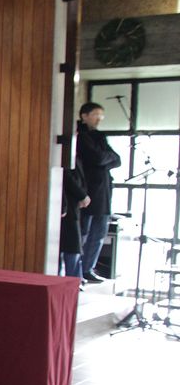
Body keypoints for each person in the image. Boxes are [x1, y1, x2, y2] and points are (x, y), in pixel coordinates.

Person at [76, 102, 120, 283]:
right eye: (96, 114)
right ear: (84, 116)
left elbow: (117, 159)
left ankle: (88, 268)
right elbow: (98, 158)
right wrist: (105, 159)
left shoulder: (99, 136)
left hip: (104, 192)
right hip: (89, 189)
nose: (99, 119)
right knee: (84, 233)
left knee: (99, 233)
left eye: (101, 115)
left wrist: (104, 159)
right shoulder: (81, 135)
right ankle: (77, 271)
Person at [60, 159, 90, 280]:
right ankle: (73, 281)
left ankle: (75, 281)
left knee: (72, 248)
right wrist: (81, 195)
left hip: (72, 206)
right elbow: (66, 178)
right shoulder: (65, 156)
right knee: (72, 249)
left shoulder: (77, 157)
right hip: (67, 206)